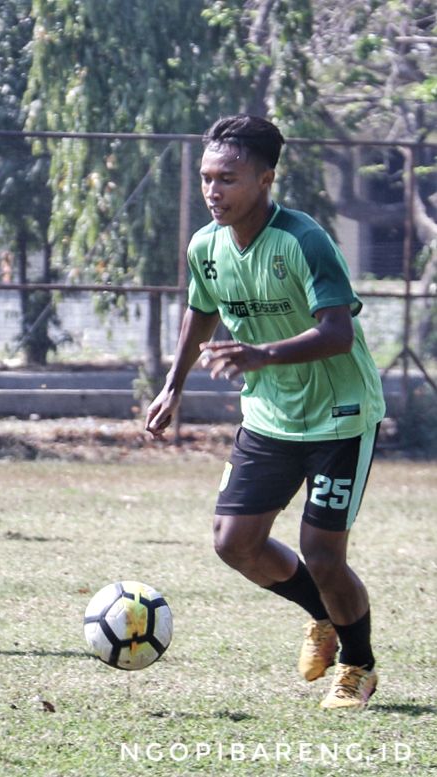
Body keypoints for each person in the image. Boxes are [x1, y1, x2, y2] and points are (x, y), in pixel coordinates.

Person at [145, 115, 385, 710]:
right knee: (234, 542)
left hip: (340, 414)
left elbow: (336, 333)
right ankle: (322, 616)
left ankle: (358, 666)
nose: (213, 191)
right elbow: (200, 311)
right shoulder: (207, 245)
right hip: (271, 416)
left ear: (265, 179)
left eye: (227, 178)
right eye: (206, 178)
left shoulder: (304, 240)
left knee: (324, 553)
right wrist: (172, 386)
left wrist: (259, 353)